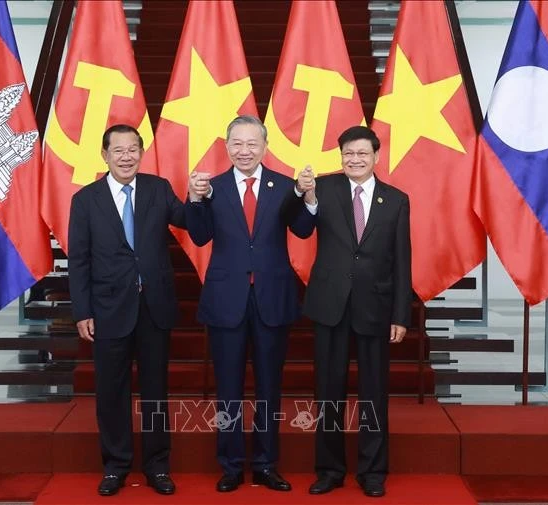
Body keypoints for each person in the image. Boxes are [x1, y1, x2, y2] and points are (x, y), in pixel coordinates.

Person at [185, 115, 316, 492]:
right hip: (227, 300)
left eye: (252, 144)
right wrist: (194, 200)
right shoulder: (212, 187)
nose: (245, 151)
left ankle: (265, 464)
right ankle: (229, 465)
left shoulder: (283, 186)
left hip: (271, 298)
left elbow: (304, 229)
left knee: (269, 388)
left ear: (265, 146)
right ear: (227, 147)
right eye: (237, 144)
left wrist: (308, 197)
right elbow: (199, 234)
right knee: (227, 388)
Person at [68, 124, 185, 497]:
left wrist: (201, 196)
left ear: (141, 152)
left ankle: (157, 466)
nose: (126, 157)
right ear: (104, 155)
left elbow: (188, 222)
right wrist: (82, 310)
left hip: (154, 308)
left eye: (133, 149)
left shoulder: (158, 188)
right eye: (118, 150)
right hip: (107, 310)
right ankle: (116, 466)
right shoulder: (86, 200)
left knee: (155, 390)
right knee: (111, 391)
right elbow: (79, 261)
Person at [298, 126, 412, 498]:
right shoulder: (325, 189)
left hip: (375, 308)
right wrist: (304, 195)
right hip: (331, 305)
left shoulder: (396, 200)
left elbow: (401, 262)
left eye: (362, 153)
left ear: (376, 156)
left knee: (373, 393)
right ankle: (329, 469)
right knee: (328, 391)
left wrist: (401, 315)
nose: (355, 159)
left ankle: (372, 471)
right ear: (341, 155)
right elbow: (300, 227)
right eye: (348, 153)